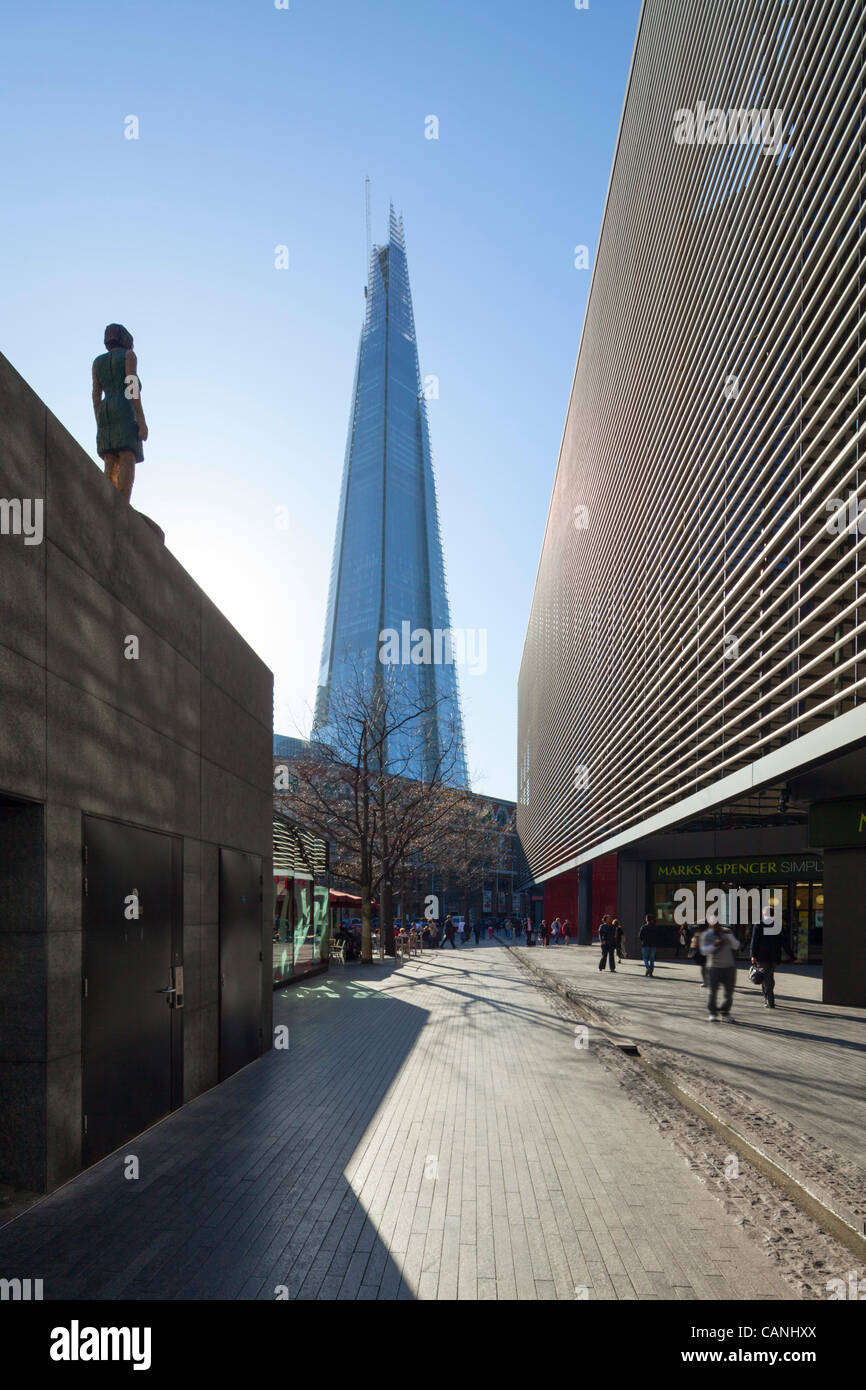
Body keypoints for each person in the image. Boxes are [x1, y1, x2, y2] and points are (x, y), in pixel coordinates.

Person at [92, 323, 147, 502]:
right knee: (127, 456)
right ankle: (123, 503)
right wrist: (141, 419)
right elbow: (132, 387)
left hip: (105, 410)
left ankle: (108, 501)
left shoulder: (97, 362)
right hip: (124, 408)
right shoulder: (128, 356)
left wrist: (99, 419)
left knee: (109, 459)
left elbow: (95, 394)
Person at [750, 908, 796, 1008]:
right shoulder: (777, 926)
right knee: (768, 976)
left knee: (767, 978)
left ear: (764, 914)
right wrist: (792, 956)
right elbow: (784, 943)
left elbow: (754, 941)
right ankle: (767, 999)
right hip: (774, 957)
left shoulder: (758, 925)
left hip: (762, 957)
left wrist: (753, 955)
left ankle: (770, 1001)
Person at [700, 918, 740, 1021]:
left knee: (729, 993)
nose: (717, 925)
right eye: (714, 924)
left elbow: (736, 945)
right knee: (713, 992)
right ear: (710, 924)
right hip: (714, 967)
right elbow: (704, 951)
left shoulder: (726, 932)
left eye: (718, 923)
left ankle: (725, 1013)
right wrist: (715, 945)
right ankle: (712, 1013)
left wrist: (730, 935)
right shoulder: (706, 935)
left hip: (729, 967)